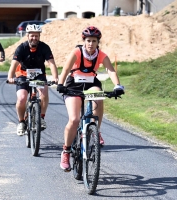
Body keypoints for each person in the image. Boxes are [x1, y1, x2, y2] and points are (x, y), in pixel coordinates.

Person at [56, 26, 125, 171]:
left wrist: (118, 85)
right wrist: (61, 84)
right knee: (74, 119)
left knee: (98, 96)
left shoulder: (101, 55)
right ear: (84, 41)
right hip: (73, 85)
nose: (91, 44)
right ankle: (66, 151)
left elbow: (110, 70)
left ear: (97, 42)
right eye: (88, 40)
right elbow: (66, 69)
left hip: (91, 83)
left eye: (94, 41)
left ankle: (95, 131)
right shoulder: (77, 52)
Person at [7, 24, 58, 136]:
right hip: (23, 74)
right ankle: (21, 122)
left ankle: (41, 117)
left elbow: (51, 63)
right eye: (32, 36)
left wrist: (55, 77)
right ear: (27, 36)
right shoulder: (22, 47)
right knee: (21, 98)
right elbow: (14, 63)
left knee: (44, 92)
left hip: (39, 75)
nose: (34, 38)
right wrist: (10, 77)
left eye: (36, 36)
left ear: (39, 36)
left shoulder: (44, 47)